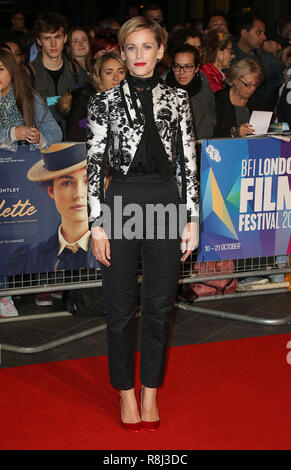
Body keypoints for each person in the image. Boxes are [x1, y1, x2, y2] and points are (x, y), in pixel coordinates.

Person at [86, 16, 199, 432]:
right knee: (118, 307)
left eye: (146, 47)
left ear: (160, 51)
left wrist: (193, 219)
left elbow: (188, 162)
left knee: (158, 307)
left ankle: (150, 388)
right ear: (121, 51)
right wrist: (97, 223)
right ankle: (125, 390)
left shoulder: (178, 99)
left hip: (166, 201)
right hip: (121, 202)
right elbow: (95, 166)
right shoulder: (104, 102)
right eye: (130, 48)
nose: (138, 56)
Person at [7, 143, 99, 274]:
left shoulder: (119, 250)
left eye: (88, 180)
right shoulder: (27, 260)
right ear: (51, 190)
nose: (79, 194)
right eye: (67, 183)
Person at [26, 12, 90, 138]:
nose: (53, 44)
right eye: (47, 38)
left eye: (58, 37)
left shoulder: (77, 72)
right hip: (40, 147)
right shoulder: (26, 75)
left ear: (65, 38)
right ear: (39, 41)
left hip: (73, 144)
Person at [0, 49, 62, 152]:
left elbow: (55, 132)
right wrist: (11, 134)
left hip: (26, 162)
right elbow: (12, 134)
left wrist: (39, 139)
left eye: (0, 69)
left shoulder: (28, 96)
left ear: (11, 70)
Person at [61, 51, 126, 141]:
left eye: (120, 72)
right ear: (99, 76)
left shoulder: (132, 98)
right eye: (109, 73)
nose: (116, 78)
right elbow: (75, 135)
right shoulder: (85, 100)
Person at [166, 43, 216, 140]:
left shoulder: (204, 87)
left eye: (188, 67)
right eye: (177, 66)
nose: (181, 72)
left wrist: (193, 140)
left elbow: (209, 119)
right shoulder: (162, 86)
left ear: (196, 68)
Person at [213, 58, 266, 138]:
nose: (252, 89)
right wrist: (235, 132)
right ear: (234, 79)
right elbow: (210, 133)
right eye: (248, 84)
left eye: (255, 85)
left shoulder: (258, 101)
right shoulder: (218, 100)